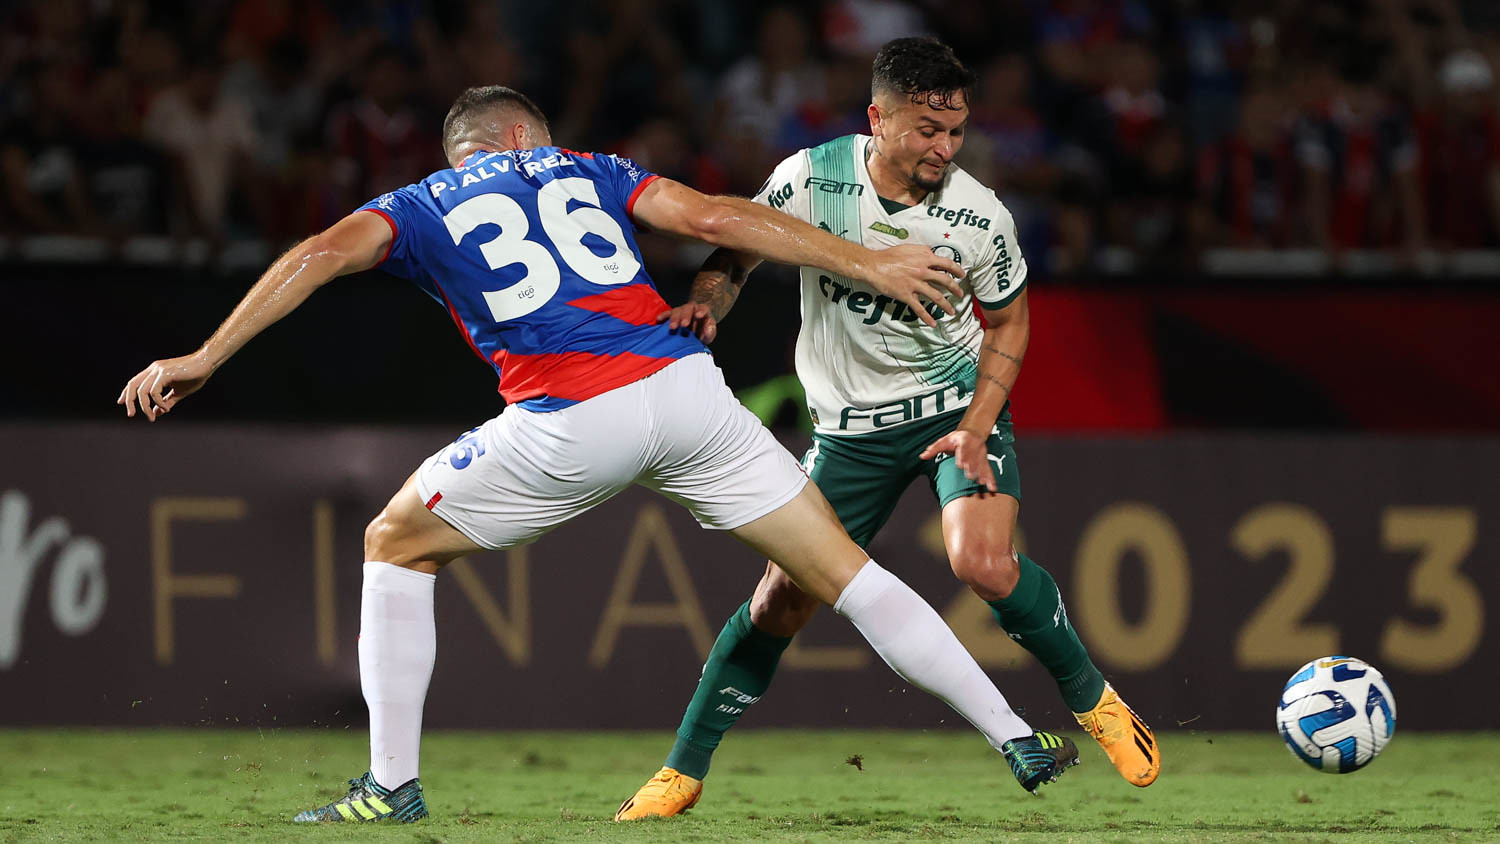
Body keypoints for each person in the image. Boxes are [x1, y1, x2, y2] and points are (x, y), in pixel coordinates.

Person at [117, 85, 1079, 824]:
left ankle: (390, 784)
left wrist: (205, 356)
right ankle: (1014, 736)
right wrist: (867, 259)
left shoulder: (415, 201)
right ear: (527, 137)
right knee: (844, 571)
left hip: (573, 413)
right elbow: (713, 217)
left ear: (468, 150)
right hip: (691, 391)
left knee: (392, 543)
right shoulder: (591, 167)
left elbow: (316, 255)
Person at [616, 37, 1159, 823]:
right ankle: (682, 772)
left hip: (954, 409)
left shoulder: (978, 215)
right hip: (848, 433)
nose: (945, 148)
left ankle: (1095, 701)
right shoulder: (811, 178)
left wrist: (978, 426)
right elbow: (736, 253)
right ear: (879, 119)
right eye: (927, 130)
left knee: (984, 562)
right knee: (779, 603)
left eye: (957, 131)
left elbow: (1009, 321)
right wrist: (710, 303)